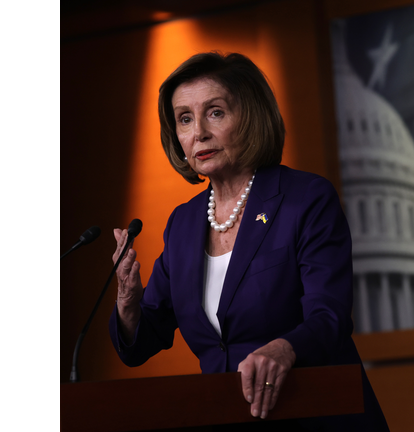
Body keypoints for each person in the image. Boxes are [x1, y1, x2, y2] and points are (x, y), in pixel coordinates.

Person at [109, 51, 389, 431]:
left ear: (251, 116)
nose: (198, 133)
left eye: (216, 112)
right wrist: (128, 301)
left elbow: (330, 317)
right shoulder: (184, 223)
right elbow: (143, 341)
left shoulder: (305, 199)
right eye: (185, 119)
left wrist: (284, 348)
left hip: (319, 416)